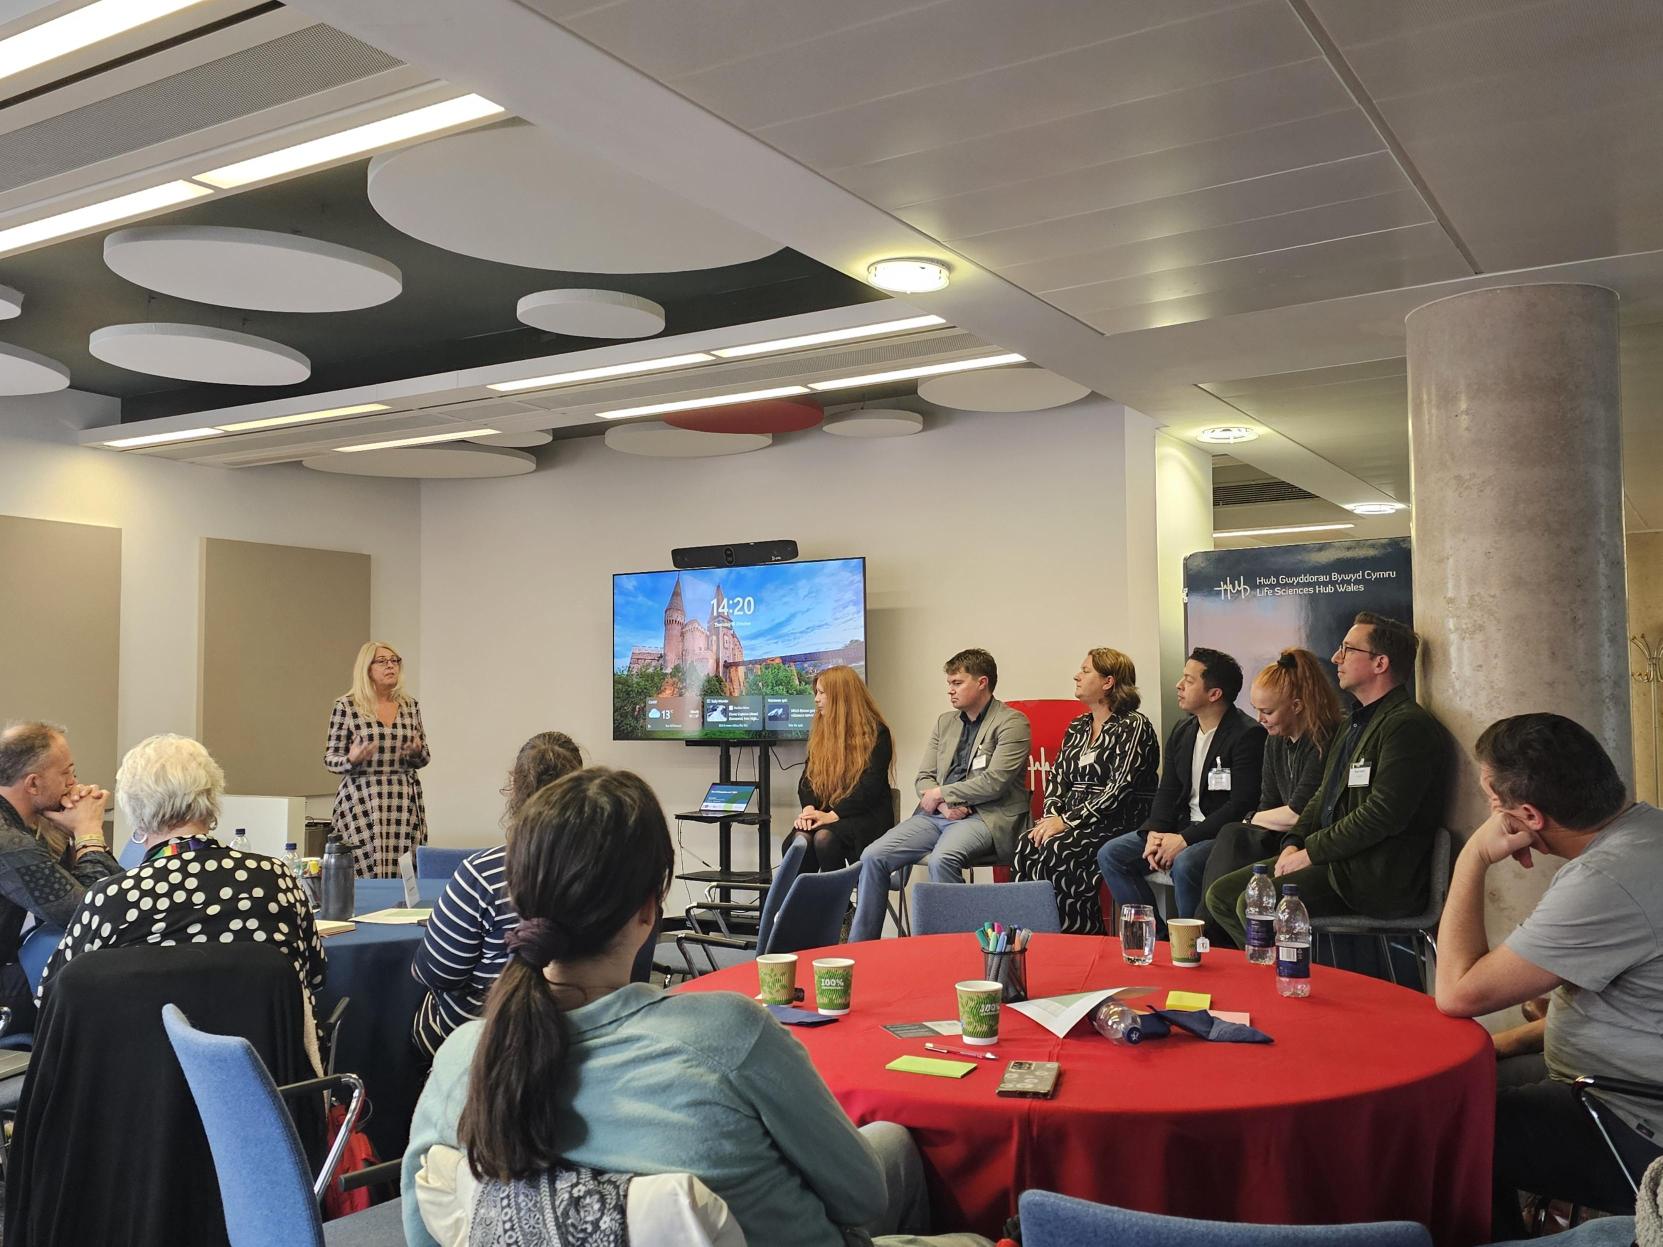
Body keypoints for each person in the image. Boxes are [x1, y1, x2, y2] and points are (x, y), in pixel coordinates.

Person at [401, 767, 992, 1247]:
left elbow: (421, 1231)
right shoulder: (730, 1033)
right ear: (648, 909)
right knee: (898, 1154)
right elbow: (862, 1198)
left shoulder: (460, 1063)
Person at [1434, 713, 1663, 1236]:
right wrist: (1506, 1044)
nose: (1492, 812)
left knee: (1445, 1129)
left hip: (1633, 1120)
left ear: (1529, 815)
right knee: (1453, 1084)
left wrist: (1473, 856)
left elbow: (1456, 992)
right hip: (1621, 1075)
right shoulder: (1649, 831)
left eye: (1494, 800)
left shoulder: (1606, 880)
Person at [1206, 612, 1449, 948]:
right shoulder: (1356, 723)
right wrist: (1294, 840)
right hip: (1336, 861)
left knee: (1250, 903)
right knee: (1221, 894)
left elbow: (1382, 815)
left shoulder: (1406, 726)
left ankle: (1290, 982)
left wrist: (1310, 853)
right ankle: (1277, 976)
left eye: (1348, 650)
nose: (1336, 657)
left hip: (1369, 875)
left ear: (1380, 663)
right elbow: (1324, 795)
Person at [36, 734, 324, 1019]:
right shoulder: (275, 878)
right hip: (262, 1057)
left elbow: (53, 996)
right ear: (212, 798)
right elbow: (316, 976)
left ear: (133, 812)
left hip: (137, 1059)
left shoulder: (113, 897)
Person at [411, 730, 583, 1059]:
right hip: (583, 1028)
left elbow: (436, 973)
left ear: (514, 787)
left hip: (480, 1039)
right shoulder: (608, 869)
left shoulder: (480, 873)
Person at [847, 649, 1031, 943]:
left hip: (986, 816)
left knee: (942, 859)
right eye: (949, 683)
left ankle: (951, 949)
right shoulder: (945, 722)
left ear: (982, 682)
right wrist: (944, 805)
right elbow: (923, 778)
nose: (950, 690)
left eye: (957, 682)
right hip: (939, 815)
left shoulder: (1012, 722)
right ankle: (862, 947)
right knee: (873, 856)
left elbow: (994, 782)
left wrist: (941, 793)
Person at [1096, 648, 1264, 924]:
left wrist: (1185, 840)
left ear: (1214, 694)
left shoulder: (1247, 735)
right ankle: (1158, 937)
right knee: (1112, 854)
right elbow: (1168, 789)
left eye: (1189, 679)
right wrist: (1154, 832)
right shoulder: (1183, 730)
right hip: (1181, 826)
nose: (1179, 685)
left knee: (1185, 864)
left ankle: (1194, 946)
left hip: (1219, 833)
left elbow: (1240, 805)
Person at [1198, 648, 1344, 937]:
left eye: (1267, 711)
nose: (1260, 719)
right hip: (1279, 836)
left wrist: (1253, 819)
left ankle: (1204, 935)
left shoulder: (1324, 739)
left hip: (1306, 841)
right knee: (1198, 858)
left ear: (1298, 706)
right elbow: (1269, 804)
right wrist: (1256, 818)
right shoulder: (1274, 742)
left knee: (1232, 835)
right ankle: (1205, 933)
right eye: (1256, 709)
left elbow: (1297, 814)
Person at [1013, 648, 1159, 934]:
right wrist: (1053, 816)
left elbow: (1120, 787)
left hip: (1119, 819)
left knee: (1060, 849)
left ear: (1108, 682)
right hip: (1075, 819)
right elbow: (1057, 777)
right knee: (1028, 844)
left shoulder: (1133, 725)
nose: (1077, 676)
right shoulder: (1078, 725)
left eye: (1086, 670)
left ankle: (1079, 937)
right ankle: (1033, 933)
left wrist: (1066, 822)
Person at [0, 721, 119, 1031]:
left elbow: (107, 893)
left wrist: (72, 834)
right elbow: (92, 911)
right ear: (33, 785)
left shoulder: (17, 830)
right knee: (88, 993)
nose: (75, 783)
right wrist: (89, 831)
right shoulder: (8, 843)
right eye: (67, 773)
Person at [325, 640, 430, 877]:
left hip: (403, 799)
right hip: (363, 798)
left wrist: (416, 753)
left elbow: (424, 758)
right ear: (366, 668)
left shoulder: (409, 706)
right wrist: (350, 760)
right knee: (364, 867)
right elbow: (330, 758)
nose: (390, 666)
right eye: (382, 661)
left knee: (406, 869)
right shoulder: (347, 706)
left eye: (394, 661)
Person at [791, 666, 895, 871]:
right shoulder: (822, 733)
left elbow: (869, 789)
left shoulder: (877, 734)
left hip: (865, 817)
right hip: (827, 815)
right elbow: (807, 781)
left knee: (824, 838)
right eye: (816, 693)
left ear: (841, 697)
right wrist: (809, 809)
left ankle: (837, 903)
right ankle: (809, 902)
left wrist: (831, 816)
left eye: (821, 693)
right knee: (800, 839)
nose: (816, 699)